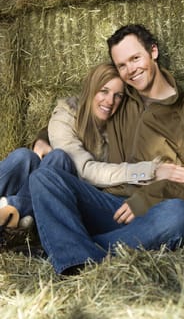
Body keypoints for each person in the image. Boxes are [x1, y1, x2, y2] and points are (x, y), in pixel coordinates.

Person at [28, 24, 184, 275]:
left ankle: (76, 252)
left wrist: (147, 198)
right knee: (45, 177)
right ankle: (78, 248)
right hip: (105, 204)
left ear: (153, 52)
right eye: (122, 65)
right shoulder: (120, 99)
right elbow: (80, 114)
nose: (130, 70)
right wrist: (43, 137)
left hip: (152, 212)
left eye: (135, 58)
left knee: (181, 216)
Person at [0, 62, 162, 241]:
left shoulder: (119, 126)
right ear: (91, 89)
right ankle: (14, 213)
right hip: (59, 181)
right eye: (104, 91)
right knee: (25, 157)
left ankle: (11, 211)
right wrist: (147, 170)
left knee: (57, 159)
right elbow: (84, 170)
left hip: (67, 192)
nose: (110, 101)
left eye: (118, 96)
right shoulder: (67, 114)